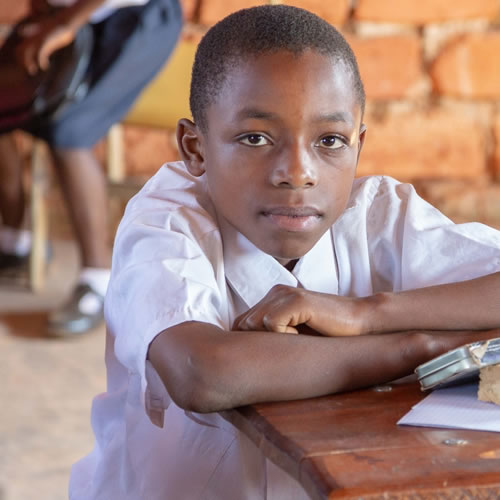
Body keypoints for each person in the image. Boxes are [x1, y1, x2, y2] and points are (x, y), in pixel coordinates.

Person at [69, 5, 500, 499]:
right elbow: (202, 373)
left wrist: (367, 314)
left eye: (330, 140)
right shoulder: (166, 222)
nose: (297, 173)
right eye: (255, 138)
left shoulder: (380, 215)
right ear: (195, 147)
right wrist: (418, 347)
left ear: (358, 145)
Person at [0, 0, 182, 335]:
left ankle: (98, 282)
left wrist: (66, 24)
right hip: (59, 17)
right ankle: (14, 244)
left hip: (131, 16)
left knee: (69, 131)